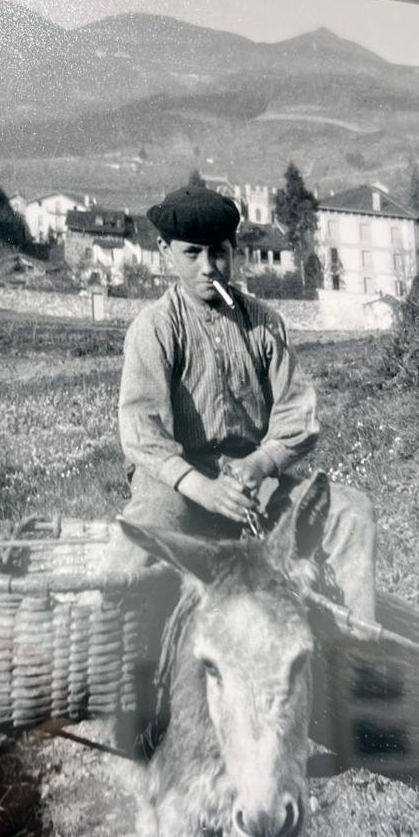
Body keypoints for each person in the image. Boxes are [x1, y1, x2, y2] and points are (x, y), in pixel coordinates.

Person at [107, 183, 376, 623]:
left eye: (218, 252)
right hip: (177, 487)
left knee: (352, 512)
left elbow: (298, 415)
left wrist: (260, 464)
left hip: (250, 486)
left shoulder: (265, 324)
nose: (208, 267)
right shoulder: (155, 328)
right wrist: (202, 488)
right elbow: (142, 433)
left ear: (234, 250)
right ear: (165, 252)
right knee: (146, 528)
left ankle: (356, 640)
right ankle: (109, 632)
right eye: (192, 253)